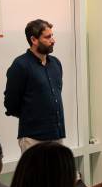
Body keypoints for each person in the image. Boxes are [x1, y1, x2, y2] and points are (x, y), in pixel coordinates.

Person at [4, 19, 65, 154]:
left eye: (52, 36)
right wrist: (32, 115)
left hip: (57, 135)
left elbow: (56, 93)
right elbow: (11, 104)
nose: (53, 40)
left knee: (58, 175)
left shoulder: (56, 64)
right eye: (48, 37)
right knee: (36, 176)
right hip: (33, 138)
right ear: (34, 40)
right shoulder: (20, 65)